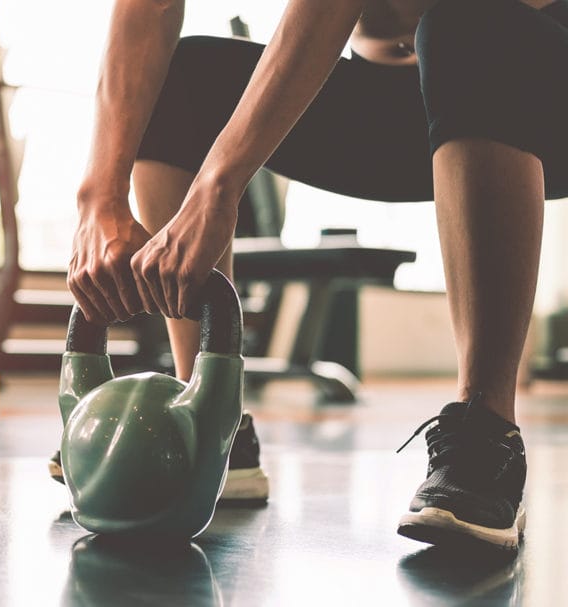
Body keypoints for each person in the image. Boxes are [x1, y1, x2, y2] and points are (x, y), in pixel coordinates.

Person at [62, 0, 567, 551]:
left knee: (469, 24)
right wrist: (98, 199)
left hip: (529, 84)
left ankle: (487, 437)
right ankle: (208, 423)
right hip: (399, 104)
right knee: (185, 76)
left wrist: (217, 186)